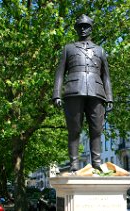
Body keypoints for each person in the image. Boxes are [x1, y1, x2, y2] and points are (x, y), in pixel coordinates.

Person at [52, 14, 113, 172]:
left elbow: (106, 75)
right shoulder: (68, 48)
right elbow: (60, 73)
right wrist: (56, 94)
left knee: (96, 130)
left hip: (97, 92)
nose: (83, 29)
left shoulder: (100, 50)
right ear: (76, 29)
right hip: (73, 91)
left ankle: (97, 164)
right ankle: (74, 165)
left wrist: (110, 97)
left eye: (86, 26)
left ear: (91, 28)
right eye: (80, 26)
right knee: (74, 130)